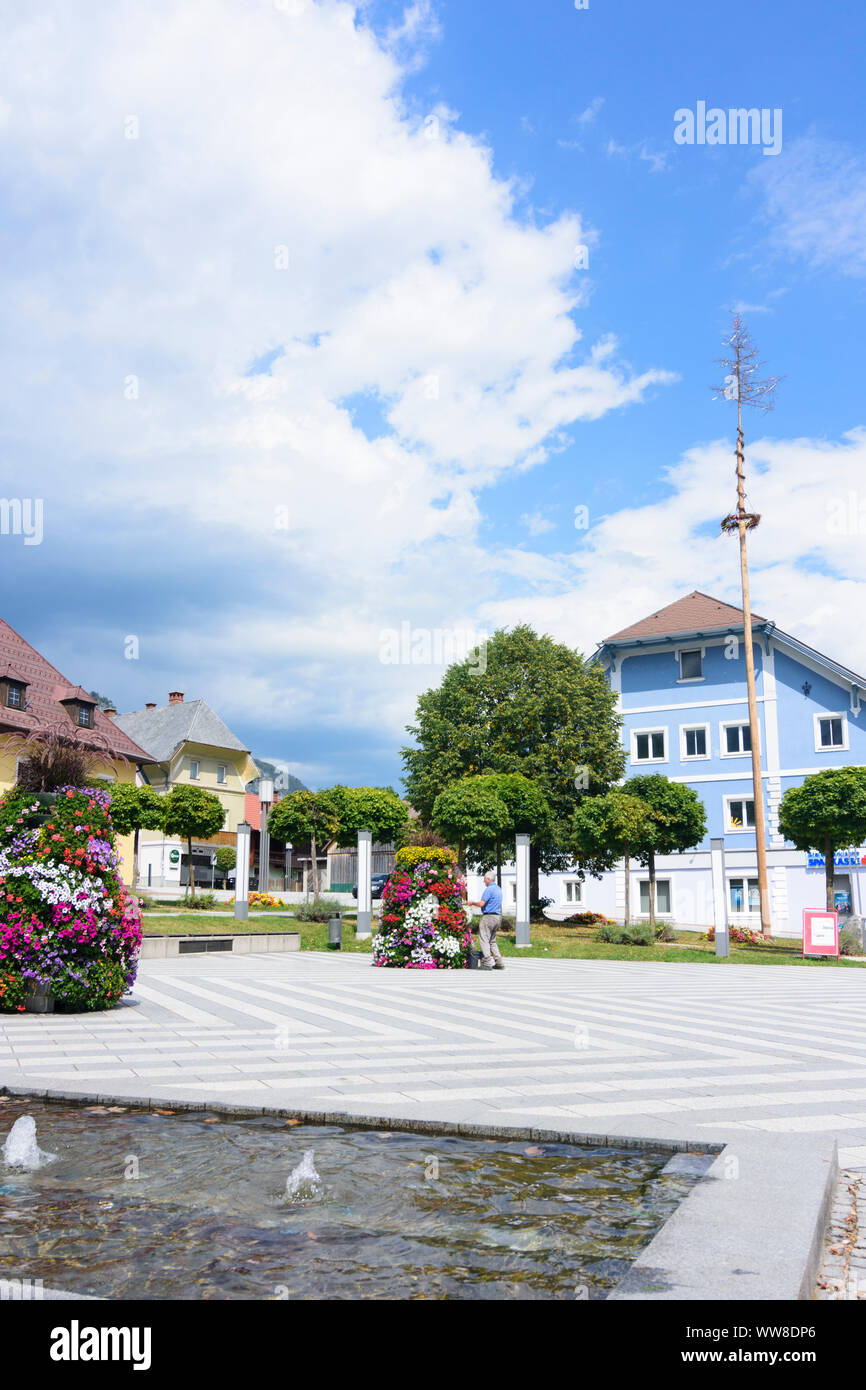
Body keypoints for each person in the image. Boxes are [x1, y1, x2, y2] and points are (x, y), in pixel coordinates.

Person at [468, 871, 505, 970]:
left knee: (484, 939)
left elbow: (481, 904)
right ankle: (499, 962)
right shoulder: (498, 889)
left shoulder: (489, 889)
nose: (484, 881)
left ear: (489, 879)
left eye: (485, 879)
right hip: (497, 917)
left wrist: (471, 903)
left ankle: (487, 963)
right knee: (492, 940)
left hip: (488, 917)